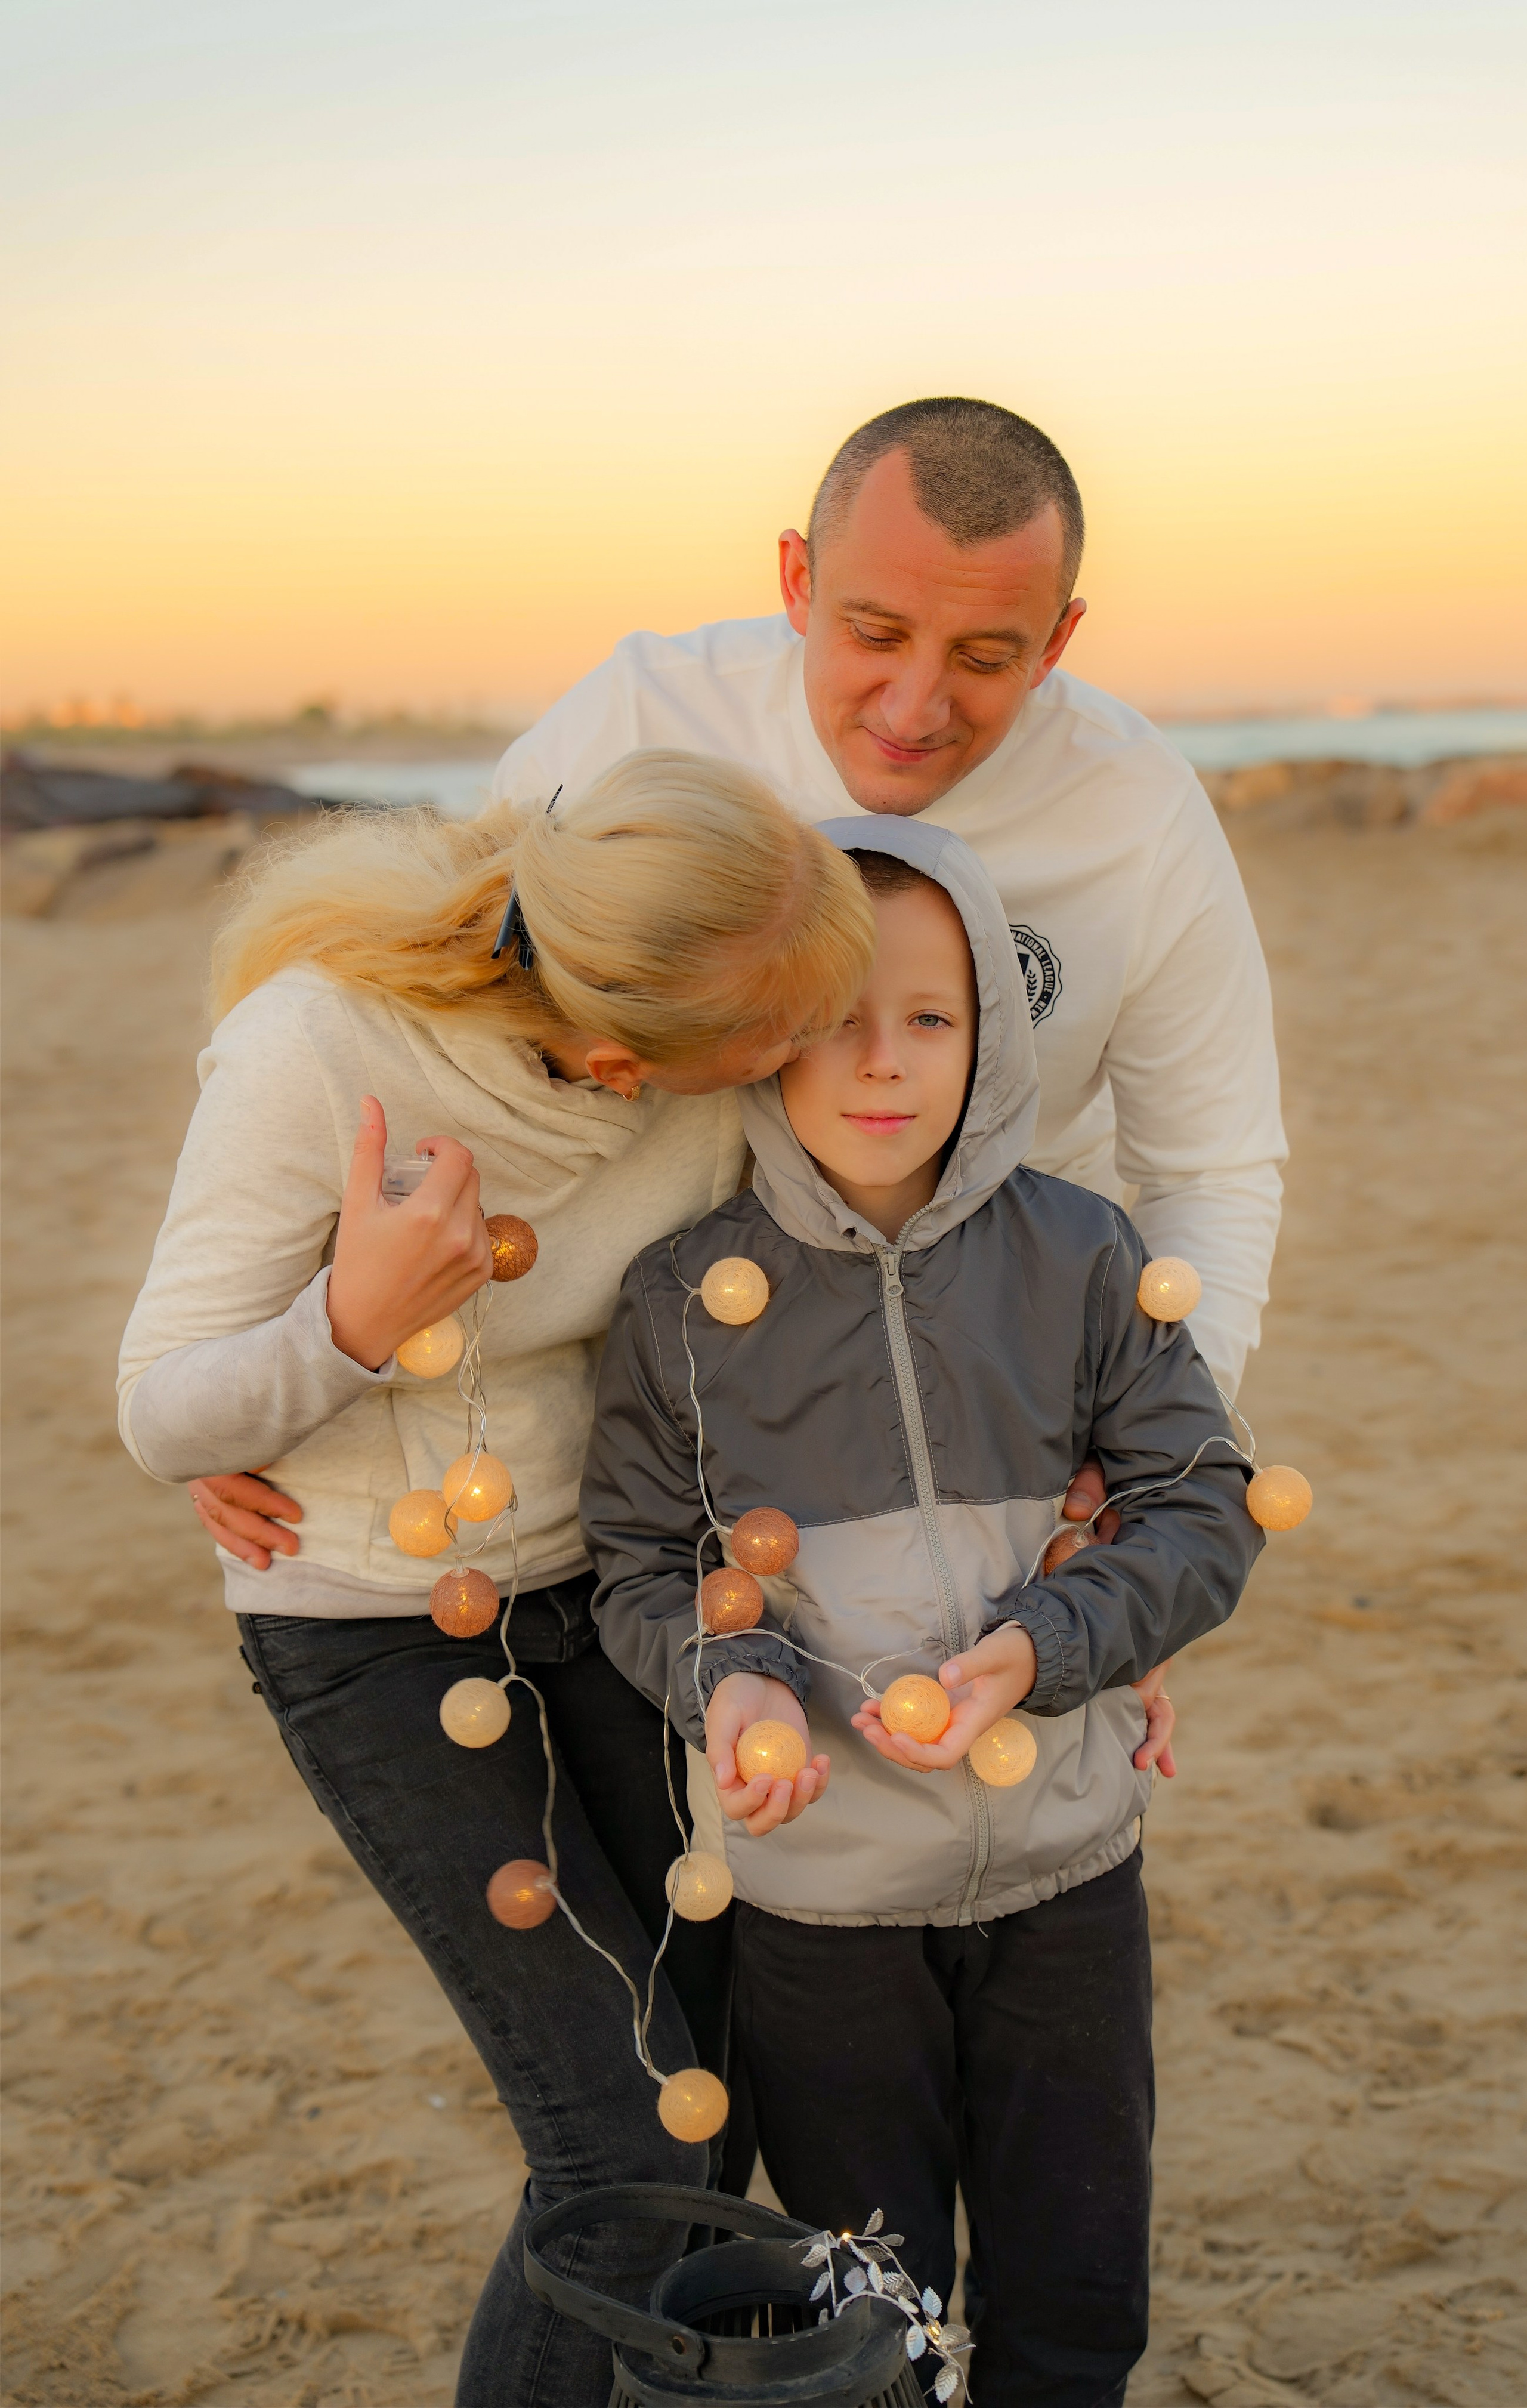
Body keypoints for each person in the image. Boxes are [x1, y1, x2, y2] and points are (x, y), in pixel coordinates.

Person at [116, 751, 878, 2408]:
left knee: (712, 2085)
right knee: (615, 2142)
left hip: (602, 1589)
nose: (813, 1061)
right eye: (780, 1045)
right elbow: (162, 1405)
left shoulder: (693, 1037)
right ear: (621, 1060)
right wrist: (348, 1324)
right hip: (371, 1637)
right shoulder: (316, 1051)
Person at [582, 822, 1262, 2407]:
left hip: (1070, 1876)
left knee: (1077, 2284)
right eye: (833, 1015)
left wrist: (1045, 1650)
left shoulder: (1084, 1253)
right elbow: (643, 1558)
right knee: (872, 2310)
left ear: (996, 1031)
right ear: (764, 1027)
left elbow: (1200, 1504)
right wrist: (733, 1682)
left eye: (933, 1016)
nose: (883, 1063)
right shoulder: (684, 1301)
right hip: (820, 1909)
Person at [493, 394, 1284, 1407]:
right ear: (797, 580)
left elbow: (1212, 1168)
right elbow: (444, 1004)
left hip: (1002, 1367)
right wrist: (241, 1333)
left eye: (987, 657)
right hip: (644, 1375)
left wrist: (1166, 1438)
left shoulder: (1136, 802)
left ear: (1056, 642)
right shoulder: (640, 716)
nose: (915, 710)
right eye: (875, 633)